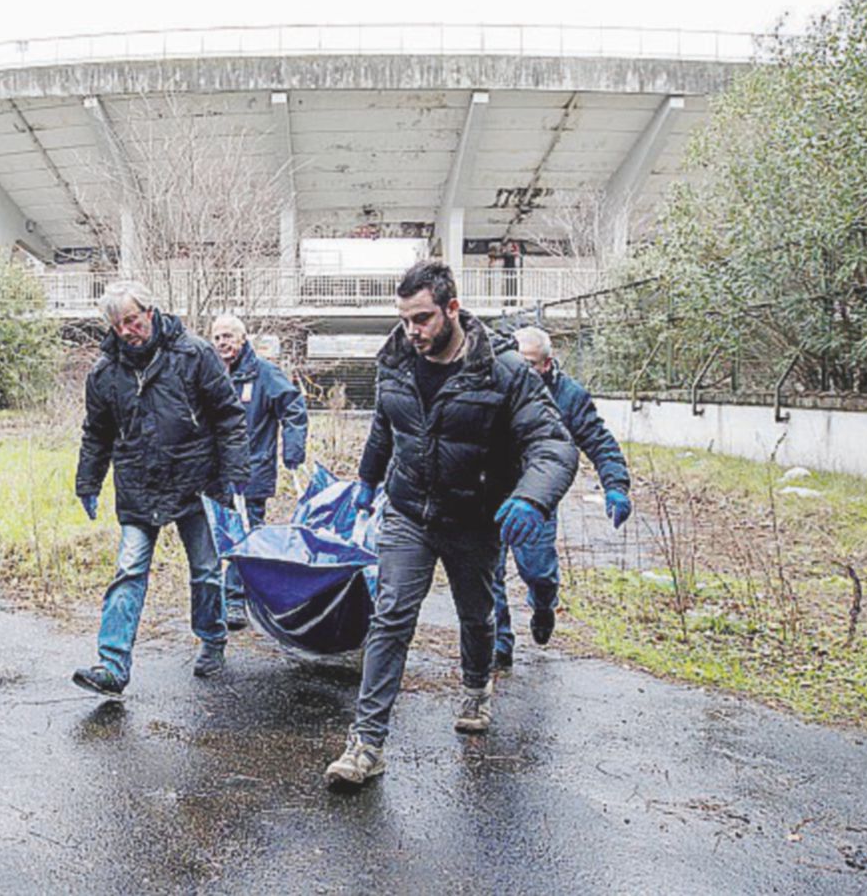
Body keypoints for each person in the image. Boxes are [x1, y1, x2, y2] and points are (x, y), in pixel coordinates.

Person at [325, 261, 578, 787]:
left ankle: (476, 688)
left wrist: (531, 498)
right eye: (404, 319)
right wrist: (367, 482)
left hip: (475, 517)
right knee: (391, 616)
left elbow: (553, 443)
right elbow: (385, 426)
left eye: (422, 318)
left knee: (477, 614)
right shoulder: (395, 357)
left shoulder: (504, 370)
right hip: (410, 510)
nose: (412, 331)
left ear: (452, 309)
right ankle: (367, 744)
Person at [72, 282, 250, 696]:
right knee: (128, 571)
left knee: (206, 570)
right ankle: (112, 665)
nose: (128, 331)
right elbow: (96, 434)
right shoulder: (105, 373)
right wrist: (88, 481)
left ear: (150, 313)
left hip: (197, 481)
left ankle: (212, 638)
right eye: (119, 326)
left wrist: (234, 473)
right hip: (139, 483)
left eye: (132, 320)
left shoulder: (194, 354)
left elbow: (228, 416)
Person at [491, 325, 632, 669]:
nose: (521, 371)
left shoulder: (569, 396)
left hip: (538, 499)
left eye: (529, 364)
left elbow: (599, 441)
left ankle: (543, 604)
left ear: (547, 364)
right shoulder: (496, 383)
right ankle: (499, 643)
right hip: (492, 494)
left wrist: (616, 484)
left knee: (538, 571)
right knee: (487, 574)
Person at [209, 314, 309, 629]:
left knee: (245, 534)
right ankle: (230, 596)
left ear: (242, 339)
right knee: (219, 538)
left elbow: (293, 407)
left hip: (252, 470)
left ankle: (236, 602)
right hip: (215, 474)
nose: (222, 343)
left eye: (228, 336)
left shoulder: (264, 374)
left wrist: (292, 450)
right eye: (217, 338)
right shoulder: (211, 375)